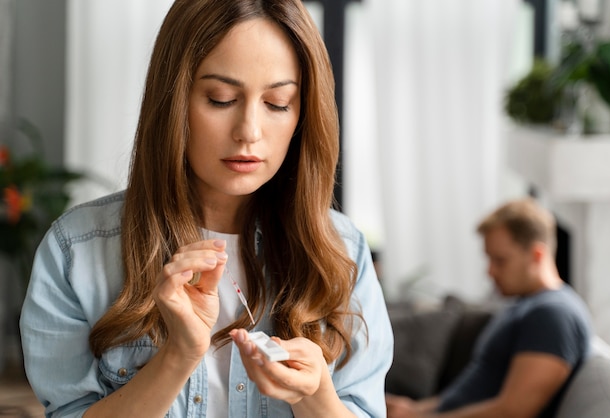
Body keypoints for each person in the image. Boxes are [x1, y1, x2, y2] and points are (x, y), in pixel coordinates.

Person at [19, 1, 393, 417]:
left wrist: (315, 397)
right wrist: (178, 354)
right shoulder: (77, 250)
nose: (249, 132)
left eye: (277, 103)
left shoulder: (343, 250)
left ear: (302, 114)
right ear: (173, 100)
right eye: (221, 99)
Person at [386, 198, 593, 418]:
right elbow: (472, 392)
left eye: (500, 261)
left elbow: (512, 412)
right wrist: (414, 409)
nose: (490, 272)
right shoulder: (525, 305)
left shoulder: (554, 315)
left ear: (536, 256)